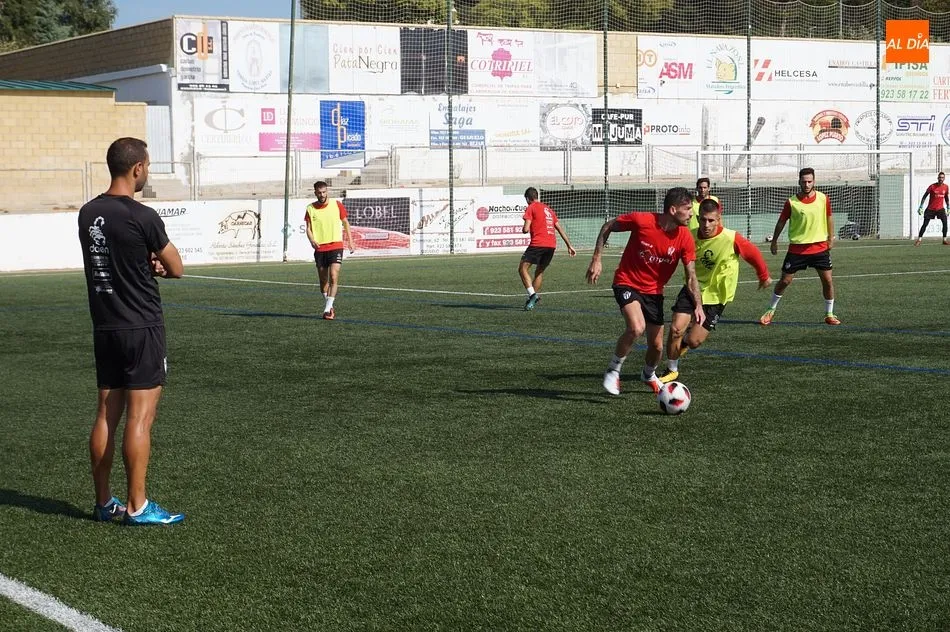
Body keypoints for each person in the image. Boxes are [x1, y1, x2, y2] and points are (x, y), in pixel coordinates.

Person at [78, 137, 185, 526]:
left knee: (106, 414)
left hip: (105, 326)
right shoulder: (143, 215)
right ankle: (138, 506)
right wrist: (154, 263)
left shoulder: (88, 213)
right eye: (148, 166)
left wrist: (144, 262)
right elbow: (176, 267)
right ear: (137, 167)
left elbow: (116, 258)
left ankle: (104, 502)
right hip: (140, 326)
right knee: (140, 419)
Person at [586, 187, 704, 396]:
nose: (692, 213)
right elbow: (607, 227)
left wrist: (698, 305)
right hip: (627, 282)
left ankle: (649, 374)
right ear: (673, 209)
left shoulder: (685, 237)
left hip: (654, 292)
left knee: (657, 347)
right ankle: (614, 370)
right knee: (636, 327)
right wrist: (597, 259)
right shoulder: (642, 221)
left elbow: (691, 275)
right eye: (688, 209)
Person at [658, 199, 773, 383]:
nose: (706, 225)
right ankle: (672, 369)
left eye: (711, 220)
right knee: (676, 328)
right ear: (698, 217)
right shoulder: (689, 235)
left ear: (719, 219)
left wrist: (763, 275)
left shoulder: (730, 237)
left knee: (694, 341)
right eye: (703, 220)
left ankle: (686, 343)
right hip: (692, 288)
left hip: (717, 296)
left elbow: (752, 253)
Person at [759, 167, 840, 326]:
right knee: (785, 281)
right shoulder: (791, 202)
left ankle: (829, 314)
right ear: (799, 182)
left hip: (819, 248)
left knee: (828, 281)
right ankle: (771, 310)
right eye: (804, 181)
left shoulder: (824, 199)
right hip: (797, 249)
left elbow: (829, 218)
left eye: (810, 181)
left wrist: (831, 237)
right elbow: (781, 221)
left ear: (814, 181)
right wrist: (774, 241)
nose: (807, 184)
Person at [519, 187, 576, 310]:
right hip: (551, 245)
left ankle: (533, 295)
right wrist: (569, 245)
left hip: (538, 244)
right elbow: (559, 228)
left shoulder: (531, 207)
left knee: (522, 269)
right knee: (539, 272)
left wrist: (524, 227)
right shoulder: (548, 209)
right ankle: (531, 300)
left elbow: (526, 229)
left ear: (528, 198)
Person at [305, 181, 356, 320]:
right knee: (323, 283)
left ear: (327, 191)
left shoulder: (337, 205)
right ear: (315, 193)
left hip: (336, 246)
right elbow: (308, 228)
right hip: (320, 248)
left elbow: (345, 222)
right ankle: (329, 305)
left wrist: (350, 241)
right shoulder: (310, 208)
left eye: (324, 192)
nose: (322, 195)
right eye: (319, 193)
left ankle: (327, 309)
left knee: (334, 276)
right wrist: (311, 240)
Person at [914, 171, 949, 246]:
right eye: (940, 177)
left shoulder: (946, 187)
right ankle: (919, 240)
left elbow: (946, 198)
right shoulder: (932, 186)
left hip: (940, 209)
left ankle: (944, 240)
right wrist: (921, 206)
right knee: (925, 224)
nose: (941, 179)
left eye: (942, 177)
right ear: (938, 178)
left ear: (944, 178)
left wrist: (948, 207)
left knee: (945, 223)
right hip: (930, 209)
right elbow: (924, 196)